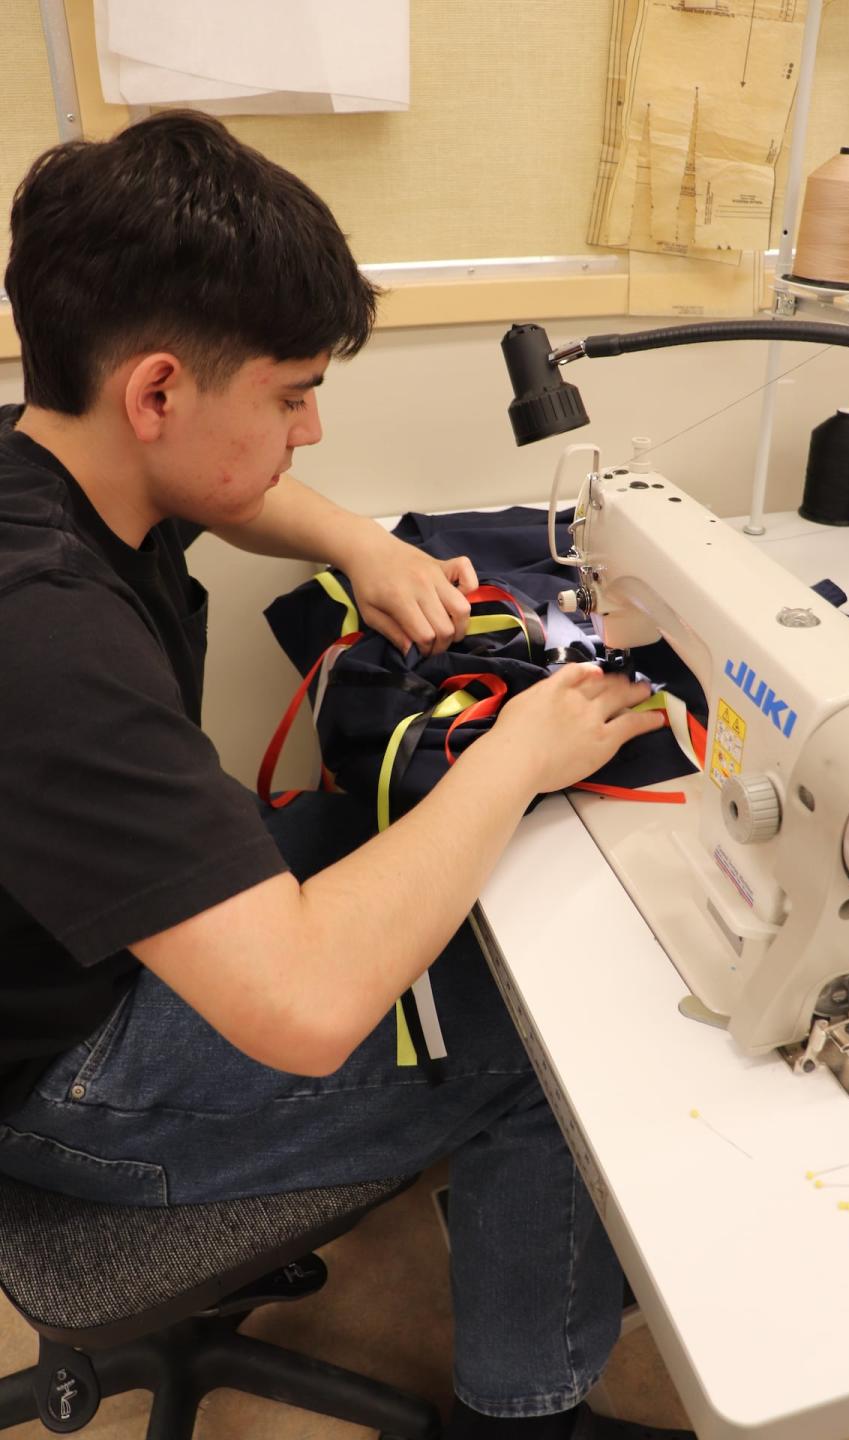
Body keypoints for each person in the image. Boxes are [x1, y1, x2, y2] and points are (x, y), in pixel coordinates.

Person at [0, 111, 691, 1440]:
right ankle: (526, 1409)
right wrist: (524, 753)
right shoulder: (46, 636)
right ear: (155, 392)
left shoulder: (55, 463)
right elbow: (310, 1005)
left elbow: (234, 489)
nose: (311, 431)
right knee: (562, 1047)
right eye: (292, 394)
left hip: (82, 956)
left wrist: (361, 550)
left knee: (397, 856)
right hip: (64, 1090)